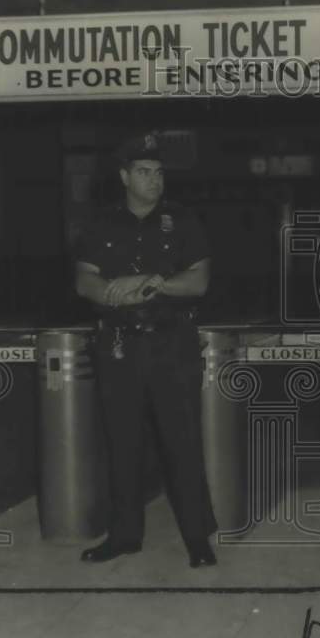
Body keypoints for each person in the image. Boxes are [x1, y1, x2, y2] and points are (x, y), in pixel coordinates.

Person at [74, 132, 218, 568]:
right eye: (143, 172)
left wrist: (154, 283)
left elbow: (199, 281)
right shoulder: (101, 224)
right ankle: (124, 536)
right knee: (122, 443)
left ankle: (197, 539)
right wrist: (135, 293)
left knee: (183, 443)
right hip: (119, 347)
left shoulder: (183, 220)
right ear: (124, 176)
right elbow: (86, 282)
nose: (154, 181)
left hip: (172, 344)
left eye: (158, 173)